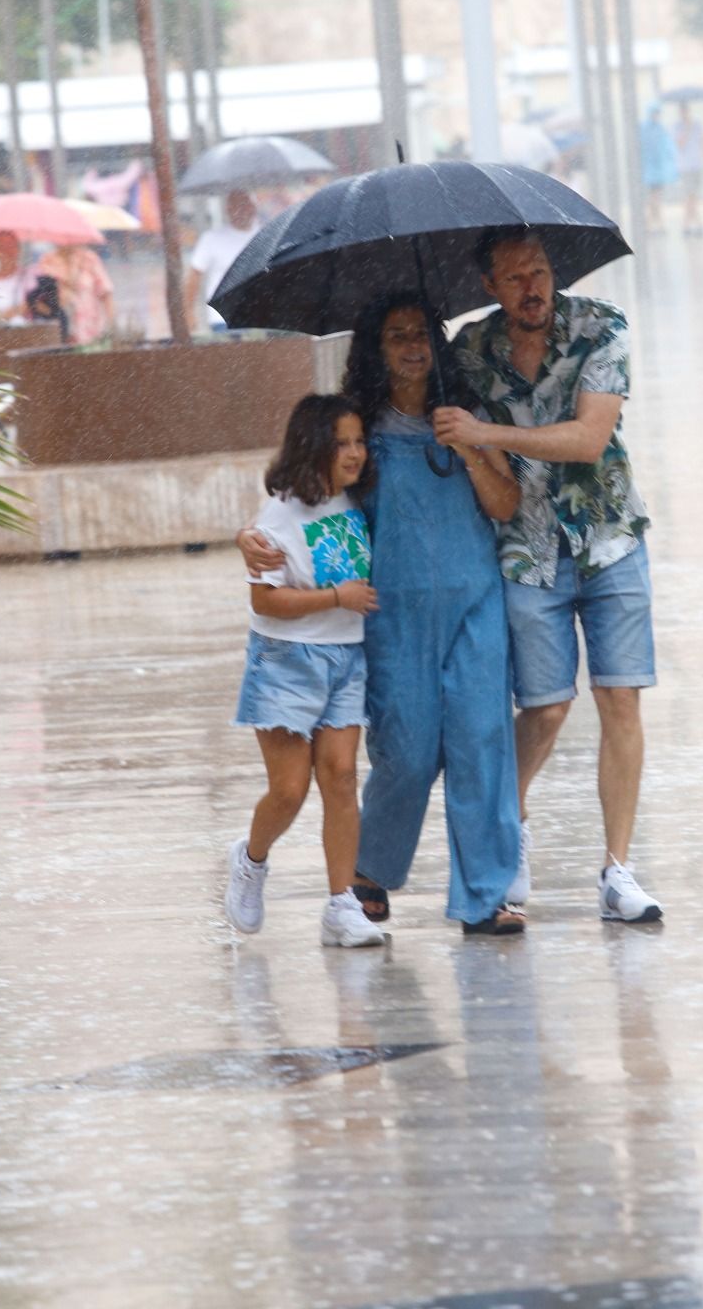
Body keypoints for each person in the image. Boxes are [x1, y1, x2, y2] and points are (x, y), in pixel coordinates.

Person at [238, 292, 525, 936]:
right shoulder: (359, 433)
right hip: (390, 620)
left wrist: (472, 444)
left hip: (474, 606)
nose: (414, 345)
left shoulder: (470, 415)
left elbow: (505, 506)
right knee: (410, 754)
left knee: (483, 744)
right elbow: (301, 502)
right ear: (376, 350)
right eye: (397, 335)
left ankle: (487, 894)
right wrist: (246, 537)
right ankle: (370, 868)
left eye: (423, 333)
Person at [434, 229, 662, 926]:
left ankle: (618, 870)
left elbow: (589, 438)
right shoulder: (469, 353)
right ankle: (510, 828)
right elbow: (477, 468)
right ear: (489, 287)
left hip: (610, 537)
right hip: (526, 550)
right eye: (514, 278)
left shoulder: (600, 327)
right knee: (546, 706)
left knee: (620, 700)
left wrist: (489, 434)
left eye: (539, 271)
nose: (532, 287)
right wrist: (467, 439)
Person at [225, 393, 386, 950]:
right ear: (312, 444)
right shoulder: (279, 515)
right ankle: (250, 860)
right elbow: (265, 604)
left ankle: (342, 904)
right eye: (341, 442)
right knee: (289, 791)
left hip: (347, 658)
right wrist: (335, 596)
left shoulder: (355, 502)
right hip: (286, 661)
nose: (355, 453)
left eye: (359, 441)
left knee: (341, 777)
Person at [184, 190, 259, 332]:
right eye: (236, 206)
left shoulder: (268, 236)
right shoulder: (211, 239)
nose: (241, 211)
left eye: (245, 205)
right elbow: (194, 276)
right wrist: (188, 312)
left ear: (254, 208)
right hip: (223, 320)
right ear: (228, 210)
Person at [33, 240, 114, 345]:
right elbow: (44, 296)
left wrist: (111, 325)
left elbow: (105, 292)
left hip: (92, 328)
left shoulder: (89, 258)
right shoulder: (47, 260)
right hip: (62, 327)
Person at [0, 230, 36, 323]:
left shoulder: (29, 276)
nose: (6, 251)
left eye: (11, 246)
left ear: (18, 249)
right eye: (1, 246)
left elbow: (35, 305)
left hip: (26, 333)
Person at [639, 106, 676, 232]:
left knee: (655, 197)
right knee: (653, 198)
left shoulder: (659, 128)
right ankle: (654, 223)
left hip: (657, 169)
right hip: (648, 169)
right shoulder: (645, 128)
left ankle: (653, 223)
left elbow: (666, 147)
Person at [673, 101, 703, 238]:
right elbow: (680, 144)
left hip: (696, 164)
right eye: (682, 111)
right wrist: (686, 129)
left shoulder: (697, 124)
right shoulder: (677, 127)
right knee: (689, 195)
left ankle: (689, 224)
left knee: (694, 195)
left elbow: (702, 140)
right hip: (685, 166)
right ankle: (690, 224)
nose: (685, 114)